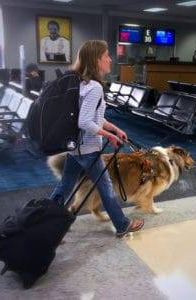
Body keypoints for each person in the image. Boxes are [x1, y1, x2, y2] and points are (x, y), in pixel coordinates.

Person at [50, 40, 144, 238]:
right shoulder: (94, 87)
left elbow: (95, 118)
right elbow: (85, 122)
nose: (110, 59)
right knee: (106, 187)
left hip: (75, 147)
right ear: (96, 60)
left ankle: (44, 224)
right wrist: (109, 136)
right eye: (106, 55)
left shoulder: (79, 82)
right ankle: (122, 224)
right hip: (88, 149)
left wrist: (115, 128)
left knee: (64, 187)